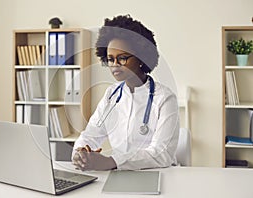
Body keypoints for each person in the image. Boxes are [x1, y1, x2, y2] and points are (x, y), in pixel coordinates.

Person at [72, 15, 179, 171]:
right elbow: (90, 135)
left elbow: (162, 153)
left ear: (141, 58)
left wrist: (111, 162)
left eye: (122, 58)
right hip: (120, 174)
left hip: (158, 174)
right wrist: (80, 152)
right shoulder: (111, 95)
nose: (115, 65)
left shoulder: (164, 98)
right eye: (110, 59)